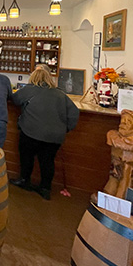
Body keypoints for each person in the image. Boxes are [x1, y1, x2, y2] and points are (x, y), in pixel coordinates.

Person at [10, 67, 80, 200]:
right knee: (47, 161)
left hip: (31, 132)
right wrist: (66, 129)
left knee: (27, 157)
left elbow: (15, 99)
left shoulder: (29, 90)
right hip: (54, 137)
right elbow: (74, 113)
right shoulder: (60, 94)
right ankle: (45, 188)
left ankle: (25, 180)